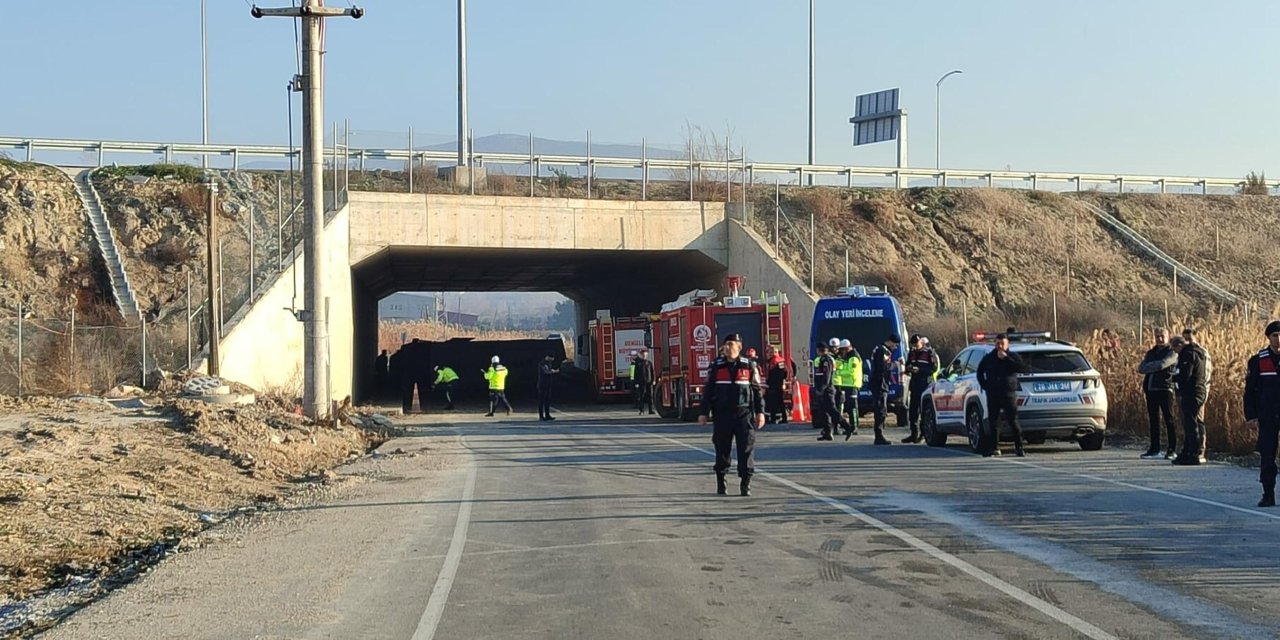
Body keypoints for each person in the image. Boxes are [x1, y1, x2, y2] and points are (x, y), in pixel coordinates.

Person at [698, 333, 766, 496]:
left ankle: (745, 483)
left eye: (731, 344)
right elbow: (708, 391)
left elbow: (757, 391)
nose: (727, 348)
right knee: (722, 448)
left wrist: (760, 412)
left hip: (744, 414)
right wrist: (703, 412)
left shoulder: (749, 366)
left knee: (746, 448)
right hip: (722, 414)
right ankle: (721, 480)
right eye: (726, 344)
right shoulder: (717, 365)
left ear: (739, 346)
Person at [976, 334, 1029, 457]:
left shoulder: (1013, 356)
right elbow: (980, 372)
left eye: (1002, 344)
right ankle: (994, 448)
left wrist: (1006, 358)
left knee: (1013, 421)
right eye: (997, 343)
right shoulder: (989, 358)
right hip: (993, 393)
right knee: (994, 422)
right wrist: (985, 386)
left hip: (1008, 393)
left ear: (1007, 344)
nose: (999, 346)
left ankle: (1019, 447)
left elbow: (1023, 368)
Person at [1245, 320, 1280, 507]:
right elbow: (1249, 391)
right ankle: (1268, 494)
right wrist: (1251, 416)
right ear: (1269, 338)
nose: (1279, 339)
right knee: (1267, 457)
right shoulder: (1258, 361)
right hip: (1267, 417)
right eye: (1275, 335)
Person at [1136, 328, 1178, 459]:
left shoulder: (1172, 352)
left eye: (1162, 336)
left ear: (1167, 337)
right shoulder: (1151, 352)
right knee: (1153, 420)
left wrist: (1151, 366)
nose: (1160, 339)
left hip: (1165, 388)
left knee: (1169, 419)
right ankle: (1154, 448)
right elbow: (1141, 368)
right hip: (1151, 389)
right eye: (1157, 336)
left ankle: (1172, 449)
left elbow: (1163, 364)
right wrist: (1153, 366)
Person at [1172, 329, 1211, 465]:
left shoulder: (1188, 354)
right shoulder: (1198, 353)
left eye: (1175, 349)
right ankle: (1188, 451)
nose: (1175, 353)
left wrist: (1173, 378)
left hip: (1192, 392)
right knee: (1190, 422)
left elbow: (1185, 375)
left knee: (1191, 423)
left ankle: (1193, 453)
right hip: (1197, 391)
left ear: (1179, 345)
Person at [813, 342, 855, 441]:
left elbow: (826, 376)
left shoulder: (826, 360)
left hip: (827, 390)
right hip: (824, 389)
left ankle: (848, 427)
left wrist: (822, 389)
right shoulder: (824, 359)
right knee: (823, 411)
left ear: (819, 350)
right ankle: (827, 432)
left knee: (832, 411)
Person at [903, 334, 938, 443]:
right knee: (913, 411)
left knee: (924, 411)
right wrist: (909, 368)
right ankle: (913, 434)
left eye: (916, 344)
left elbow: (934, 368)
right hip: (914, 384)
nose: (915, 347)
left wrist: (920, 370)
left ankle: (924, 434)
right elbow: (907, 365)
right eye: (913, 345)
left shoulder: (929, 353)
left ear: (921, 343)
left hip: (925, 384)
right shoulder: (912, 353)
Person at [868, 335, 900, 446]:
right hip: (880, 384)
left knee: (881, 409)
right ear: (890, 342)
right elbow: (883, 367)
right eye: (895, 345)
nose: (895, 347)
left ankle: (879, 434)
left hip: (879, 383)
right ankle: (879, 435)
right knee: (881, 409)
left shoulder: (879, 348)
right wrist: (896, 364)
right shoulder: (882, 351)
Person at [839, 340, 863, 429]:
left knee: (853, 407)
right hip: (847, 385)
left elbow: (851, 372)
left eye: (843, 349)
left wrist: (838, 372)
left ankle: (854, 426)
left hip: (852, 385)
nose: (841, 352)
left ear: (847, 348)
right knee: (849, 407)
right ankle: (851, 426)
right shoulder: (848, 357)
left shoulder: (853, 358)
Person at [765, 355, 789, 424]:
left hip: (774, 386)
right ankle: (783, 418)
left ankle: (774, 419)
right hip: (778, 385)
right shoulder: (780, 361)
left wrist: (770, 383)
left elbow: (773, 373)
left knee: (773, 402)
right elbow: (785, 372)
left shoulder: (775, 361)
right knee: (780, 402)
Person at [537, 355, 560, 421]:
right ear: (547, 357)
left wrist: (553, 370)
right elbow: (546, 371)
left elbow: (549, 370)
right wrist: (554, 371)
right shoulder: (542, 363)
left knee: (547, 401)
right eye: (552, 358)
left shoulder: (548, 363)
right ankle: (541, 416)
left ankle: (547, 415)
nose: (553, 359)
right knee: (541, 401)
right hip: (542, 384)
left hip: (548, 384)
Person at [636, 348, 656, 415]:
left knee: (650, 396)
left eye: (645, 354)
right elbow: (636, 373)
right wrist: (636, 382)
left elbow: (653, 372)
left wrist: (653, 380)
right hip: (641, 382)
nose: (644, 355)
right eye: (642, 354)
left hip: (649, 382)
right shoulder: (638, 363)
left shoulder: (649, 363)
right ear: (641, 355)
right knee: (641, 397)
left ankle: (651, 410)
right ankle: (641, 410)